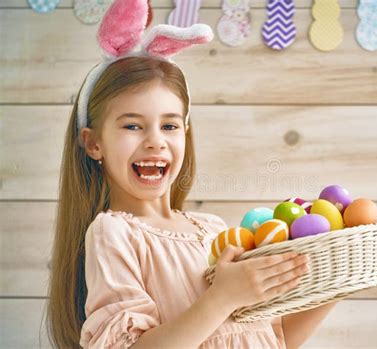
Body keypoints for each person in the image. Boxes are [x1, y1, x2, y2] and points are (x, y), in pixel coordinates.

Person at [44, 0, 330, 348]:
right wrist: (222, 298)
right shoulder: (114, 234)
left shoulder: (213, 230)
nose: (155, 142)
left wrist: (338, 287)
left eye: (169, 125)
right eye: (132, 125)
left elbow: (271, 338)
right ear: (93, 145)